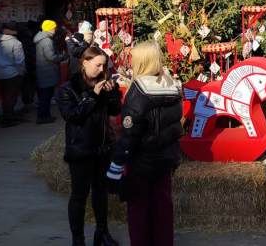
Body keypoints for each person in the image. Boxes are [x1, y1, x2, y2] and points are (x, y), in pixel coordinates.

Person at [106, 41, 183, 246]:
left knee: (139, 213)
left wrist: (115, 167)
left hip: (141, 162)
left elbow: (130, 135)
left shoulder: (138, 91)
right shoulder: (173, 86)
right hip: (166, 159)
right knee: (163, 210)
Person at [56, 46, 121, 246]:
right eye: (97, 65)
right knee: (79, 195)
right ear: (84, 63)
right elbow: (73, 115)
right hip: (80, 149)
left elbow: (115, 111)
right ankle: (78, 239)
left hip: (102, 148)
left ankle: (101, 233)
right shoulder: (68, 89)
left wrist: (111, 95)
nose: (101, 69)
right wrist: (92, 95)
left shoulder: (104, 83)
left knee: (101, 192)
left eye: (104, 65)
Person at [0, 22, 25, 127]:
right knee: (11, 97)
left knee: (4, 96)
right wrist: (21, 72)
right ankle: (8, 119)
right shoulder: (16, 43)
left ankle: (7, 116)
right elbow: (20, 61)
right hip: (12, 73)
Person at [34, 19, 67, 124]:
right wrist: (62, 56)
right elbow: (50, 57)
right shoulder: (47, 40)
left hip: (43, 70)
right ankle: (43, 117)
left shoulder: (42, 38)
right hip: (47, 71)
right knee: (46, 96)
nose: (55, 29)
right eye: (54, 27)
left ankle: (44, 115)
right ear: (50, 28)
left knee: (44, 95)